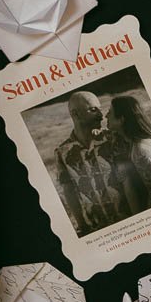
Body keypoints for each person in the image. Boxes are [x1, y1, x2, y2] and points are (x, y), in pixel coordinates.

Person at [52, 91, 113, 233]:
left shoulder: (111, 138)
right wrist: (82, 225)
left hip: (129, 218)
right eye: (93, 110)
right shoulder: (62, 152)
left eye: (100, 109)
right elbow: (69, 192)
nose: (101, 115)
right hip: (96, 228)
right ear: (76, 115)